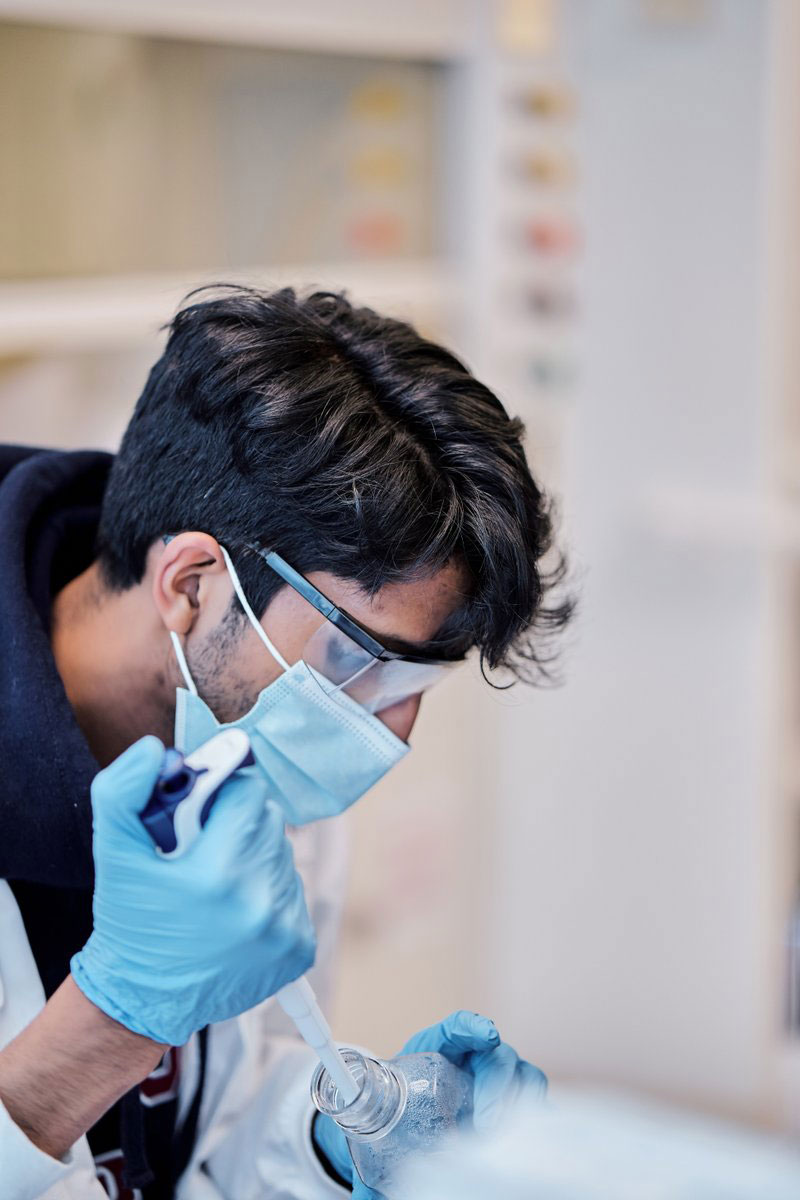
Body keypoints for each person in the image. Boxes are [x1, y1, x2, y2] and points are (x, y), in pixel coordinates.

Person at [0, 285, 571, 1200]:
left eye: (422, 679)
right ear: (191, 583)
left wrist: (330, 1138)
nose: (392, 729)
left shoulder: (251, 750)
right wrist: (115, 1021)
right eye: (361, 659)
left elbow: (200, 1135)